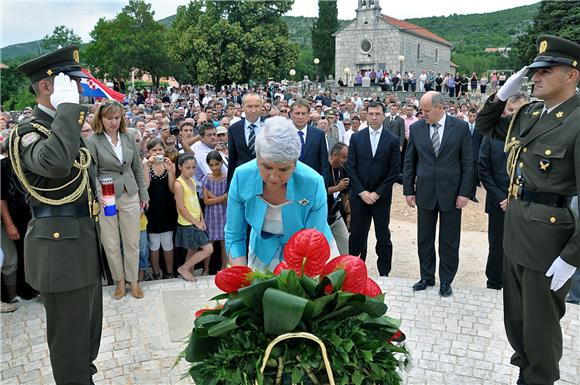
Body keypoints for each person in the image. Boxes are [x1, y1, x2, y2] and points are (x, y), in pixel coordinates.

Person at [476, 35, 580, 385]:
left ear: (571, 76)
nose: (534, 78)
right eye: (533, 72)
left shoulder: (577, 122)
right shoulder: (532, 113)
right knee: (517, 319)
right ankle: (525, 372)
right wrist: (501, 95)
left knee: (540, 327)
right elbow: (485, 126)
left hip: (548, 239)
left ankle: (540, 378)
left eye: (545, 71)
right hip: (517, 228)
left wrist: (572, 256)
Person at [8, 46, 102, 384]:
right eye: (71, 82)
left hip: (81, 245)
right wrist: (67, 110)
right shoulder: (27, 132)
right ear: (47, 87)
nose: (78, 89)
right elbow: (56, 163)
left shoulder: (62, 128)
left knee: (87, 342)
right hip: (59, 253)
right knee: (69, 354)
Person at [225, 116, 334, 272]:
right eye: (267, 167)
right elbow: (234, 235)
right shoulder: (241, 177)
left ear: (295, 164)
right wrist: (241, 273)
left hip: (311, 255)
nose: (274, 177)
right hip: (263, 251)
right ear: (257, 159)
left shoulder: (313, 182)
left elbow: (313, 241)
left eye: (283, 169)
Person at [403, 91, 473, 297]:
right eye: (421, 110)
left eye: (426, 110)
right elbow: (410, 161)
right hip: (424, 192)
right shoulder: (416, 129)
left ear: (440, 107)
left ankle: (446, 280)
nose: (422, 114)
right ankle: (426, 276)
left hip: (452, 193)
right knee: (424, 237)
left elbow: (468, 163)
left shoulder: (460, 128)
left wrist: (464, 192)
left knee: (449, 239)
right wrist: (408, 190)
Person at [87, 100, 149, 300]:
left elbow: (137, 168)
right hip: (107, 196)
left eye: (116, 117)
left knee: (132, 241)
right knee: (111, 242)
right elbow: (93, 173)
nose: (113, 122)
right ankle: (119, 282)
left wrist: (143, 193)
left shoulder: (129, 137)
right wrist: (99, 196)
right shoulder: (93, 141)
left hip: (130, 193)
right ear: (100, 119)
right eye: (109, 118)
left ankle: (134, 281)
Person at [478, 93, 529, 290]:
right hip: (497, 202)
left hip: (525, 204)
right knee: (497, 245)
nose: (512, 116)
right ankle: (493, 282)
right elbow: (483, 169)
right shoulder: (492, 136)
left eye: (518, 111)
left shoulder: (532, 137)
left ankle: (517, 283)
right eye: (509, 111)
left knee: (523, 246)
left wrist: (516, 198)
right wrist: (502, 198)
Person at [347, 101, 400, 276]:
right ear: (366, 115)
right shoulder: (356, 138)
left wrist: (377, 193)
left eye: (377, 114)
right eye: (371, 114)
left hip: (381, 197)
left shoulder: (392, 140)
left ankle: (384, 272)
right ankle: (354, 270)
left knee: (382, 234)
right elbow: (351, 167)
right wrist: (362, 192)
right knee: (357, 234)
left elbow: (394, 170)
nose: (374, 117)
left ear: (383, 115)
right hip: (359, 196)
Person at [174, 153, 214, 280]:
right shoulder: (178, 184)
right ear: (180, 167)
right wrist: (196, 223)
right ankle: (184, 268)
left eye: (193, 167)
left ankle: (187, 272)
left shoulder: (192, 180)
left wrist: (201, 219)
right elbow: (181, 207)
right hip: (188, 223)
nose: (191, 171)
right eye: (188, 168)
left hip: (196, 220)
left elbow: (196, 202)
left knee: (192, 250)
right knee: (208, 249)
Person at [143, 139, 177, 280]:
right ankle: (156, 273)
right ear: (149, 152)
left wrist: (170, 170)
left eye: (160, 150)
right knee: (154, 244)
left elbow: (173, 188)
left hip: (167, 208)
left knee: (168, 242)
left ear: (164, 150)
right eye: (154, 150)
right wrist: (146, 167)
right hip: (152, 209)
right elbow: (145, 187)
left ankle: (169, 272)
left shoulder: (170, 165)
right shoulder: (146, 166)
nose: (157, 153)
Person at [227, 92, 263, 185]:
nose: (253, 110)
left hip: (265, 180)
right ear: (243, 107)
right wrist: (230, 186)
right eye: (249, 106)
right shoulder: (233, 129)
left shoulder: (270, 127)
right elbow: (232, 160)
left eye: (257, 106)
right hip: (242, 180)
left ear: (261, 106)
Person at [289, 99, 329, 182]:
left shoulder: (319, 135)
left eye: (303, 113)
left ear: (308, 115)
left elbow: (324, 164)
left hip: (312, 182)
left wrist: (323, 186)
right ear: (291, 115)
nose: (300, 117)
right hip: (289, 183)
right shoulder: (283, 134)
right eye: (297, 113)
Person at [202, 151, 228, 270]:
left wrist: (214, 196)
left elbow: (228, 200)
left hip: (224, 213)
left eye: (217, 164)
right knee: (210, 242)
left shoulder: (227, 179)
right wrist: (221, 197)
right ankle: (206, 269)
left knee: (224, 243)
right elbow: (206, 201)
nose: (214, 168)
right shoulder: (206, 179)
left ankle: (224, 268)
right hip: (211, 215)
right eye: (211, 165)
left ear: (222, 162)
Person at [326, 142, 350, 255]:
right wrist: (337, 188)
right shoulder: (323, 169)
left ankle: (346, 271)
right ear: (334, 155)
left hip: (336, 214)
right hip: (322, 215)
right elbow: (318, 192)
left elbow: (345, 193)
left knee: (346, 243)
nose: (345, 160)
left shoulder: (342, 169)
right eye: (343, 157)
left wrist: (349, 213)